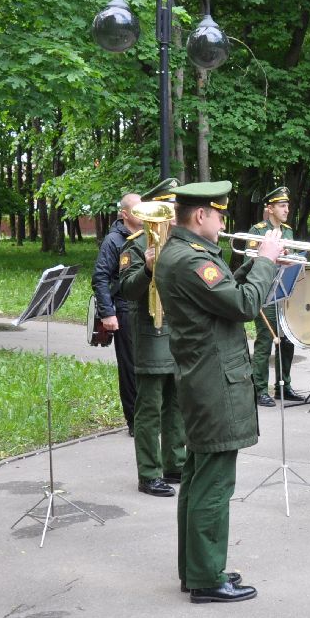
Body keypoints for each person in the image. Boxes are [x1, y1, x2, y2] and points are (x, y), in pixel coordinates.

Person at [154, 180, 283, 602]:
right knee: (213, 483)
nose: (224, 221)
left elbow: (226, 296)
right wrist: (265, 262)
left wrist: (253, 267)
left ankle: (197, 569)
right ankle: (208, 579)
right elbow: (245, 306)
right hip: (215, 381)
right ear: (200, 216)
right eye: (220, 213)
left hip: (207, 378)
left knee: (197, 477)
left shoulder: (192, 255)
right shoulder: (191, 260)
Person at [116, 178, 187, 496]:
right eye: (168, 207)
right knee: (150, 406)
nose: (173, 213)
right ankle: (149, 472)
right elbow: (126, 289)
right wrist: (146, 269)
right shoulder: (135, 245)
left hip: (179, 333)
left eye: (175, 207)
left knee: (177, 403)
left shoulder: (181, 242)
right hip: (150, 332)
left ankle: (175, 463)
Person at [92, 193, 142, 433]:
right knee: (130, 366)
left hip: (142, 307)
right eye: (136, 210)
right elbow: (100, 277)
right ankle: (134, 420)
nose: (142, 214)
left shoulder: (145, 236)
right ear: (124, 214)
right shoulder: (113, 240)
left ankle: (150, 417)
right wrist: (107, 313)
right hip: (123, 308)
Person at [248, 186, 301, 406]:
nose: (287, 209)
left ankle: (283, 385)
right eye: (282, 205)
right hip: (266, 293)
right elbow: (250, 262)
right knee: (265, 342)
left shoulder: (288, 231)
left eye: (287, 205)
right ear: (270, 209)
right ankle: (259, 389)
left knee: (287, 340)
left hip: (284, 293)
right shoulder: (258, 231)